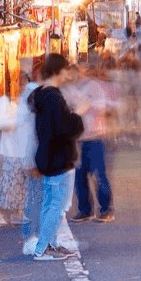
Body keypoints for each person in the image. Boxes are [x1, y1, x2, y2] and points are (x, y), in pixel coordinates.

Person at [31, 54, 83, 261]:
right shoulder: (55, 98)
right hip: (58, 158)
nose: (67, 74)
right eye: (66, 70)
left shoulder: (41, 96)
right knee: (57, 205)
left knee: (49, 203)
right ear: (58, 71)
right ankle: (42, 248)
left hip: (47, 156)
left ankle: (50, 244)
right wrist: (77, 115)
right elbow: (65, 128)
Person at [65, 66, 118, 223]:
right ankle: (85, 210)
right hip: (77, 139)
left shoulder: (94, 87)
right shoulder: (69, 89)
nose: (72, 76)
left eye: (75, 72)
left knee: (99, 175)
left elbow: (103, 109)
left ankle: (106, 209)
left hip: (95, 136)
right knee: (79, 176)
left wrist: (83, 108)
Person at [0, 76, 38, 228]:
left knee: (21, 183)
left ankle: (18, 213)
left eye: (24, 84)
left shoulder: (24, 104)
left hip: (24, 149)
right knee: (8, 183)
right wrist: (16, 122)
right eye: (19, 84)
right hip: (11, 149)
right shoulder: (4, 101)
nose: (22, 88)